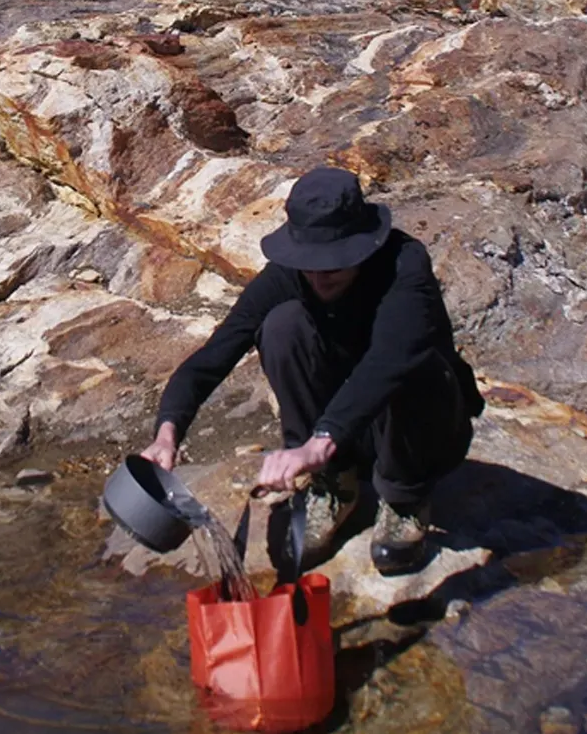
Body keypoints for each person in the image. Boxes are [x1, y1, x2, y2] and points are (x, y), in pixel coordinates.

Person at [141, 166, 483, 575]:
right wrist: (167, 433)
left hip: (419, 425)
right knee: (282, 326)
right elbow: (213, 356)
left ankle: (404, 497)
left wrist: (319, 442)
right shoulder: (289, 276)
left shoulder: (404, 266)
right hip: (343, 434)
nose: (320, 276)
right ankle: (334, 484)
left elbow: (389, 360)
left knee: (413, 362)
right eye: (311, 264)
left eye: (334, 264)